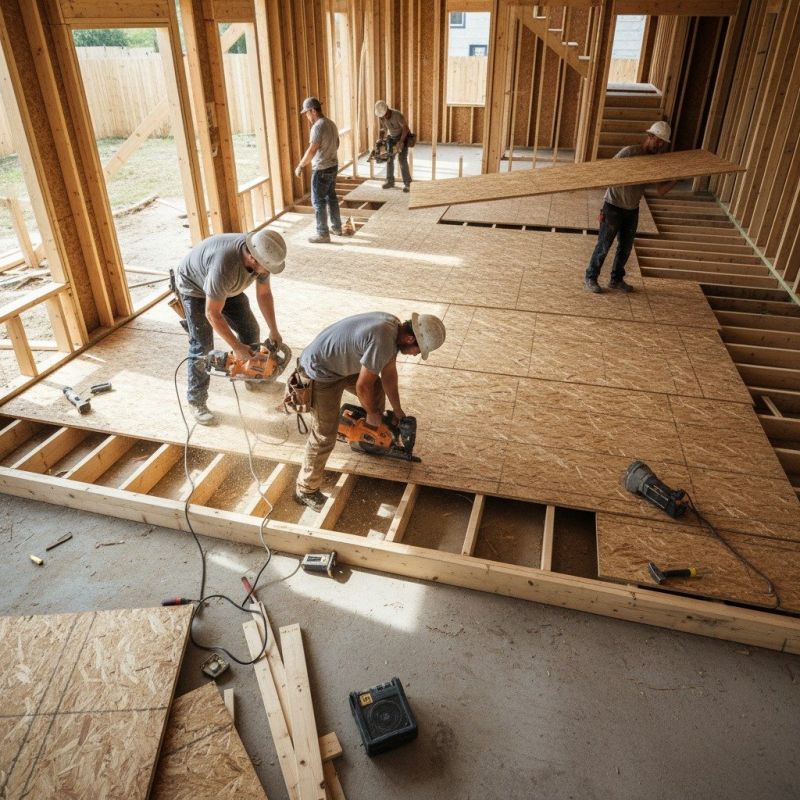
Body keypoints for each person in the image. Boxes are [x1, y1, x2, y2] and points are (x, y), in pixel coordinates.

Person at [294, 311, 446, 511]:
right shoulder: (383, 340)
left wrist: (398, 410)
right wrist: (373, 413)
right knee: (324, 434)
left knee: (376, 389)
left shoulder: (394, 328)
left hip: (337, 364)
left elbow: (389, 374)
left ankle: (368, 437)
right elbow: (362, 386)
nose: (416, 354)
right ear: (410, 339)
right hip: (319, 372)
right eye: (418, 350)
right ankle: (305, 490)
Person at [176, 229, 286, 425]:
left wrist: (274, 329)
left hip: (225, 288)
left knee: (250, 330)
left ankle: (253, 379)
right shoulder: (224, 266)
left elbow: (264, 294)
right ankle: (197, 401)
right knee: (202, 346)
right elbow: (212, 313)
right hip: (195, 288)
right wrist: (236, 347)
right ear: (252, 258)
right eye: (267, 268)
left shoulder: (262, 254)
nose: (268, 272)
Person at [584, 120, 677, 294]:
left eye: (662, 143)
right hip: (613, 206)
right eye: (658, 140)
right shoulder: (629, 152)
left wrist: (677, 178)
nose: (660, 145)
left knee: (625, 248)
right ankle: (591, 277)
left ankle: (616, 280)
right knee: (604, 245)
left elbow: (661, 191)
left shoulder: (655, 163)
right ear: (650, 136)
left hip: (632, 209)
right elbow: (606, 170)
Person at [295, 96, 342, 244]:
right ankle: (337, 227)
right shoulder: (331, 124)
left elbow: (312, 150)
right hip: (333, 166)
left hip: (321, 169)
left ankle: (322, 234)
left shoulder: (318, 127)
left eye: (307, 113)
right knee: (331, 197)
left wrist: (301, 165)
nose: (307, 117)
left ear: (313, 111)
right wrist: (329, 153)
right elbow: (337, 143)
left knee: (318, 201)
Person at [375, 100, 411, 192]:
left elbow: (406, 128)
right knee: (389, 159)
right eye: (382, 115)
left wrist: (401, 142)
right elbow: (384, 129)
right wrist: (381, 140)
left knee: (402, 160)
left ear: (387, 109)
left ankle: (408, 184)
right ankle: (390, 181)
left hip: (403, 137)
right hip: (392, 137)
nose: (385, 117)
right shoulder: (382, 117)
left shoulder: (397, 115)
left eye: (385, 114)